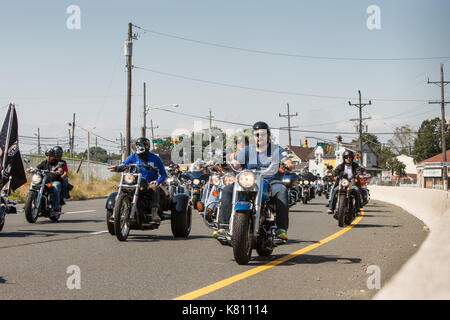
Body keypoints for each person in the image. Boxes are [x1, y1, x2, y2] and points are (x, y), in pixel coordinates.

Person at [213, 121, 294, 240]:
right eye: (257, 134)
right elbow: (236, 164)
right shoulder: (247, 150)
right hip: (249, 181)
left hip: (270, 181)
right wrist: (226, 164)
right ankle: (224, 227)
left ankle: (281, 228)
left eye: (262, 134)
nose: (259, 137)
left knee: (282, 190)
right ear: (253, 136)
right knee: (227, 190)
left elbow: (288, 160)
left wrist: (287, 163)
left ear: (268, 136)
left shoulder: (276, 149)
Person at [109, 137, 167, 222]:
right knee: (122, 188)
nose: (138, 146)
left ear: (147, 146)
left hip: (149, 183)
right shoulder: (133, 156)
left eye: (140, 145)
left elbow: (164, 174)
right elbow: (124, 164)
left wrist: (157, 181)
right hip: (134, 182)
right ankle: (116, 211)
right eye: (137, 145)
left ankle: (154, 212)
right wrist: (117, 168)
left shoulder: (155, 158)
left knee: (154, 188)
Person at [327, 150, 364, 217]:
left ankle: (358, 209)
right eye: (346, 157)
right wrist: (333, 174)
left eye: (350, 157)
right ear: (344, 158)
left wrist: (360, 173)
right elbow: (336, 171)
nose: (348, 159)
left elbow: (358, 170)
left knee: (357, 191)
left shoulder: (355, 166)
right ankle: (331, 208)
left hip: (352, 185)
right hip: (342, 185)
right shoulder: (341, 166)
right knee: (334, 189)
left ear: (352, 158)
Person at [26, 148, 63, 213]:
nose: (48, 157)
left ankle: (56, 207)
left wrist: (59, 171)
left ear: (54, 156)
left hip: (54, 181)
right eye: (47, 155)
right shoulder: (44, 163)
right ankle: (27, 205)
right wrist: (30, 169)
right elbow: (37, 168)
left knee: (55, 186)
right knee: (33, 185)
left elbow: (60, 168)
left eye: (50, 156)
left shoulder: (57, 163)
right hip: (45, 181)